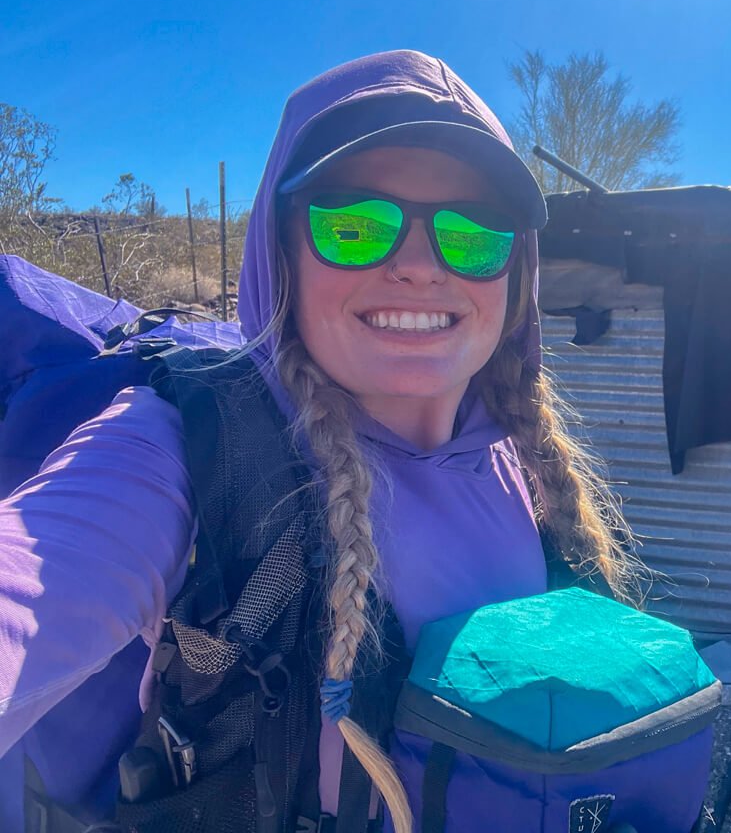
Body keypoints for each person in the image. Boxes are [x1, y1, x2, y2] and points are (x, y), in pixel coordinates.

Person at [0, 50, 641, 832]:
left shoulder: (524, 463)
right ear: (282, 254)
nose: (417, 265)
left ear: (517, 276)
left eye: (473, 235)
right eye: (354, 225)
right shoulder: (184, 453)